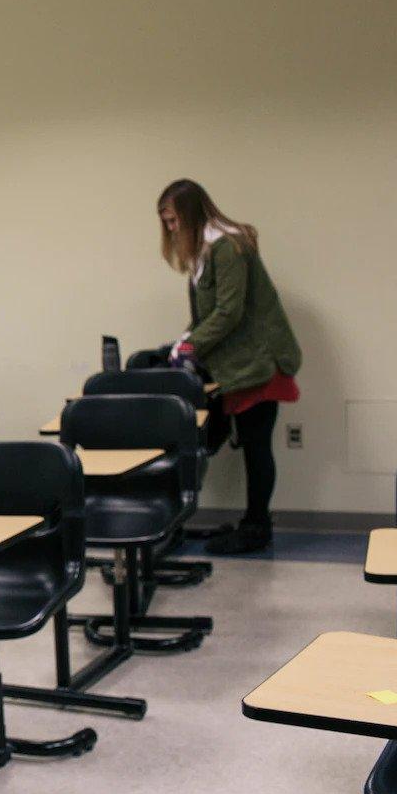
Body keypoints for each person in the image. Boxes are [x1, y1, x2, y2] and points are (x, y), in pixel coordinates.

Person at [158, 179, 302, 554]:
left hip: (258, 363)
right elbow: (206, 315)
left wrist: (191, 345)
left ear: (190, 214)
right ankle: (223, 522)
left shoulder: (227, 246)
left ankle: (257, 528)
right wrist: (183, 343)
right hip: (236, 366)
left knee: (256, 447)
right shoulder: (204, 254)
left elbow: (229, 311)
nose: (171, 230)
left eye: (173, 221)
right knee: (211, 440)